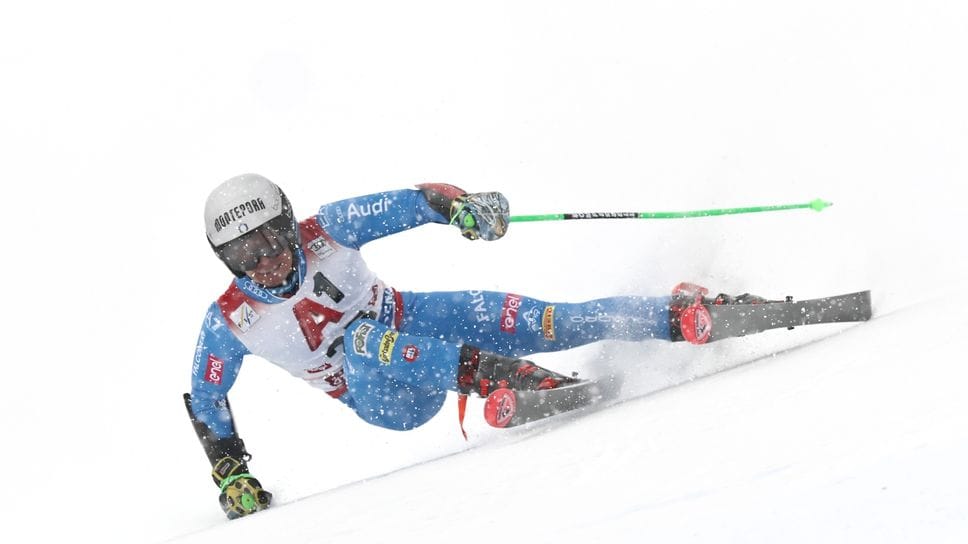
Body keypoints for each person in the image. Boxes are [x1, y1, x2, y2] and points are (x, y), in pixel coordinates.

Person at [186, 173, 752, 519]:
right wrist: (231, 473)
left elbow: (415, 201)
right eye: (243, 255)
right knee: (360, 340)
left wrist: (464, 207)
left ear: (287, 223)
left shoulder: (326, 228)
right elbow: (206, 396)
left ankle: (678, 315)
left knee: (553, 320)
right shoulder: (230, 320)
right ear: (226, 262)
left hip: (418, 322)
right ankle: (504, 377)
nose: (265, 261)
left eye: (268, 239)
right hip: (388, 397)